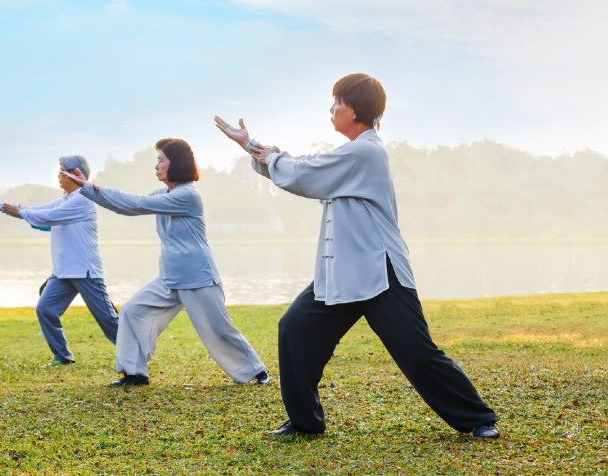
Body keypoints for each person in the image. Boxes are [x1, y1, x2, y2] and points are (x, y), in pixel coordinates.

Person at [213, 73, 500, 439]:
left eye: (338, 102)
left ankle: (478, 418)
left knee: (417, 353)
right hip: (341, 272)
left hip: (380, 271)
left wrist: (254, 145)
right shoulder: (352, 154)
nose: (332, 109)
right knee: (295, 329)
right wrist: (253, 147)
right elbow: (303, 173)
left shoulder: (365, 151)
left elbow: (303, 172)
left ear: (356, 109)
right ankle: (304, 422)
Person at [61, 138, 269, 386]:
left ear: (176, 163)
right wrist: (89, 189)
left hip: (197, 277)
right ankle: (134, 373)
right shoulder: (165, 193)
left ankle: (256, 372)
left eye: (161, 160)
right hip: (169, 278)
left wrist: (87, 187)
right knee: (133, 311)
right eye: (156, 160)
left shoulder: (187, 196)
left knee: (218, 329)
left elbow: (136, 205)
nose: (156, 166)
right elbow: (128, 204)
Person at [0, 155, 119, 367]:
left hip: (85, 271)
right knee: (46, 309)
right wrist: (0, 206)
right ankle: (62, 356)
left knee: (108, 321)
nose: (58, 176)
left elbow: (45, 217)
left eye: (62, 171)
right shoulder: (66, 199)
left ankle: (136, 350)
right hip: (63, 272)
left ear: (75, 173)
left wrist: (7, 209)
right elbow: (37, 210)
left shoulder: (84, 199)